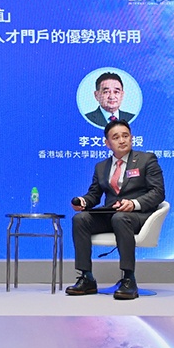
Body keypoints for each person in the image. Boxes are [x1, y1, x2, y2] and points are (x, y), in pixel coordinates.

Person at [67, 119, 164, 300]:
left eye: (125, 136)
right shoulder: (101, 167)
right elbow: (94, 195)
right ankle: (86, 278)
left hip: (137, 216)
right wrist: (83, 201)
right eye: (116, 137)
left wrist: (134, 203)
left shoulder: (146, 160)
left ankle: (129, 279)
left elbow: (158, 192)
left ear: (131, 138)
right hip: (112, 214)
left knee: (120, 218)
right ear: (107, 143)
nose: (122, 140)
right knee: (80, 219)